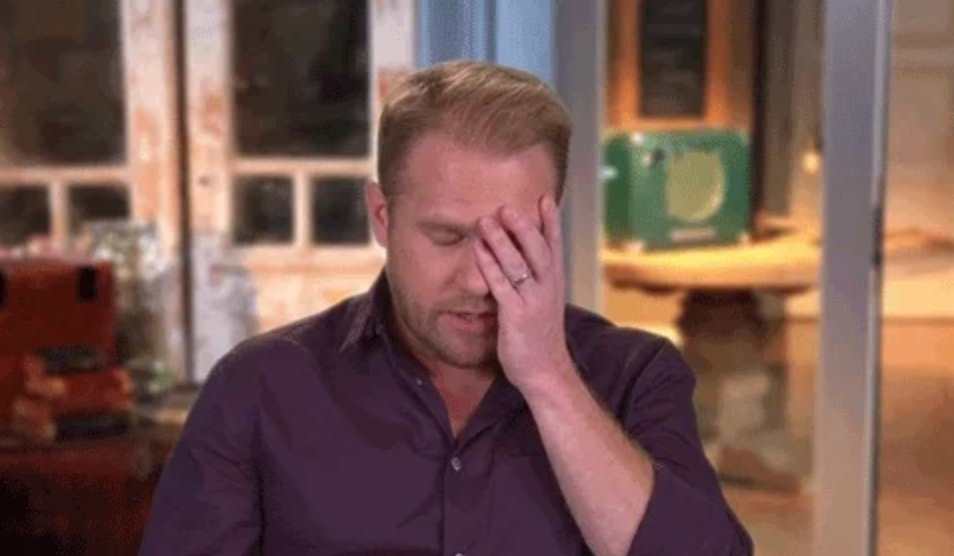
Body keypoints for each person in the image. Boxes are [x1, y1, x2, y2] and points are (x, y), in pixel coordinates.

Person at [138, 60, 753, 556]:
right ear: (382, 216)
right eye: (448, 237)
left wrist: (549, 378)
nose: (481, 278)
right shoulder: (259, 389)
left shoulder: (638, 376)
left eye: (510, 241)